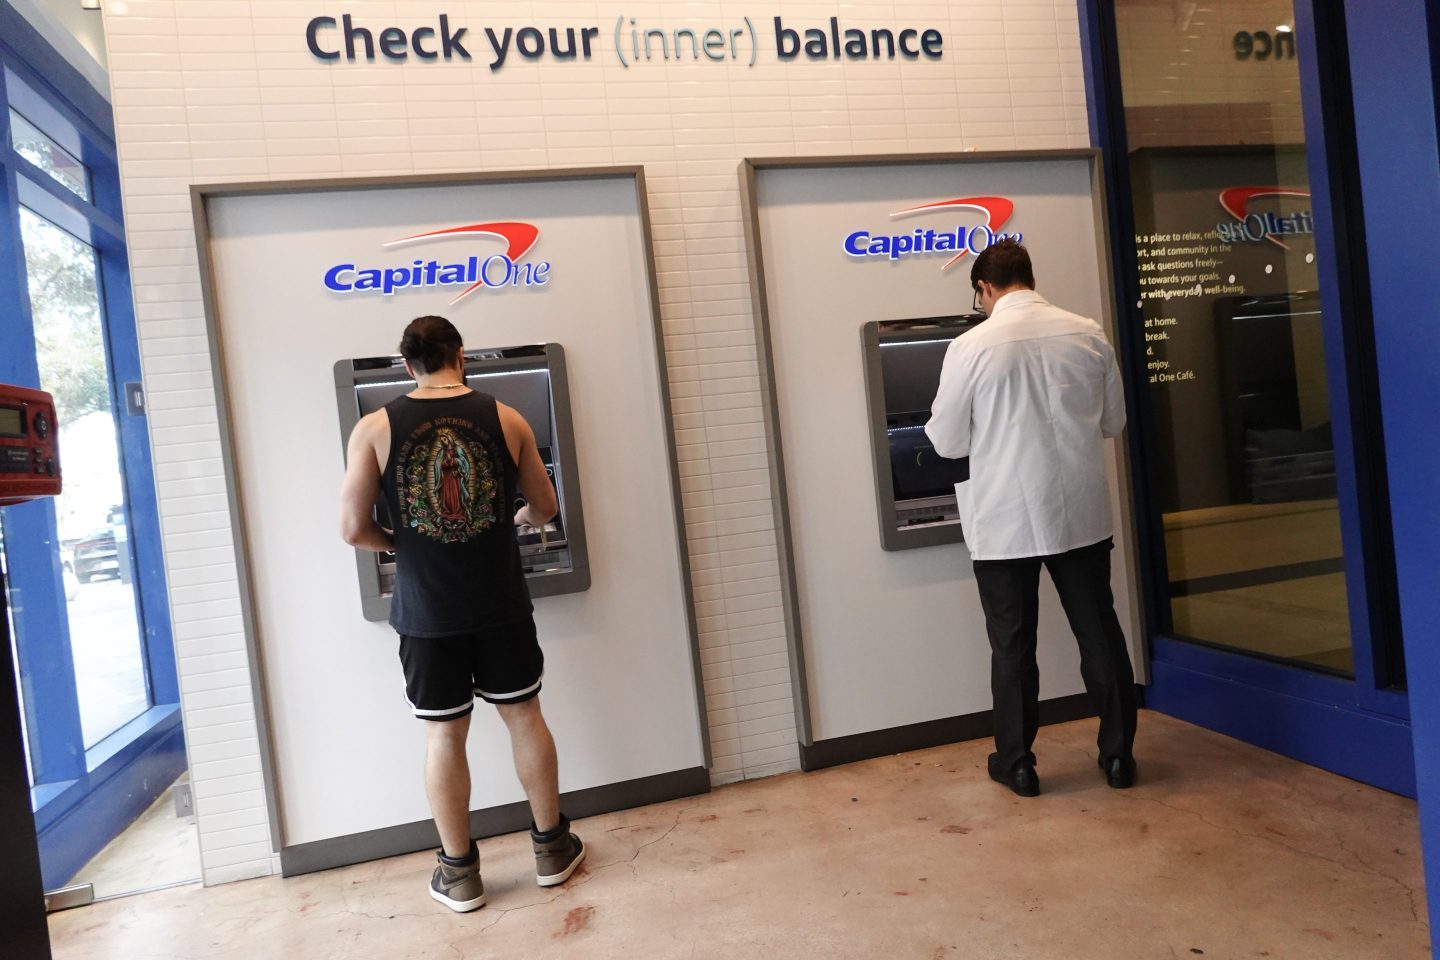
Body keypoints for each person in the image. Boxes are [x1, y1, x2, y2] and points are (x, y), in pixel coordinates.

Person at [338, 315, 585, 911]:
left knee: (444, 733)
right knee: (524, 717)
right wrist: (517, 520)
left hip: (426, 612)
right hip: (500, 603)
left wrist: (401, 544)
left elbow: (352, 528)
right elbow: (545, 505)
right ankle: (552, 850)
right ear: (461, 355)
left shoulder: (374, 427)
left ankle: (460, 874)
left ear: (407, 365)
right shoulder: (508, 417)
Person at [925, 240, 1138, 798]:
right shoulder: (1087, 333)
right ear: (1030, 278)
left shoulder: (970, 346)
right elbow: (1113, 422)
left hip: (1007, 518)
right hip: (1080, 512)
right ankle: (1119, 757)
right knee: (1100, 634)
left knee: (1013, 645)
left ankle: (1018, 764)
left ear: (984, 288)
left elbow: (946, 441)